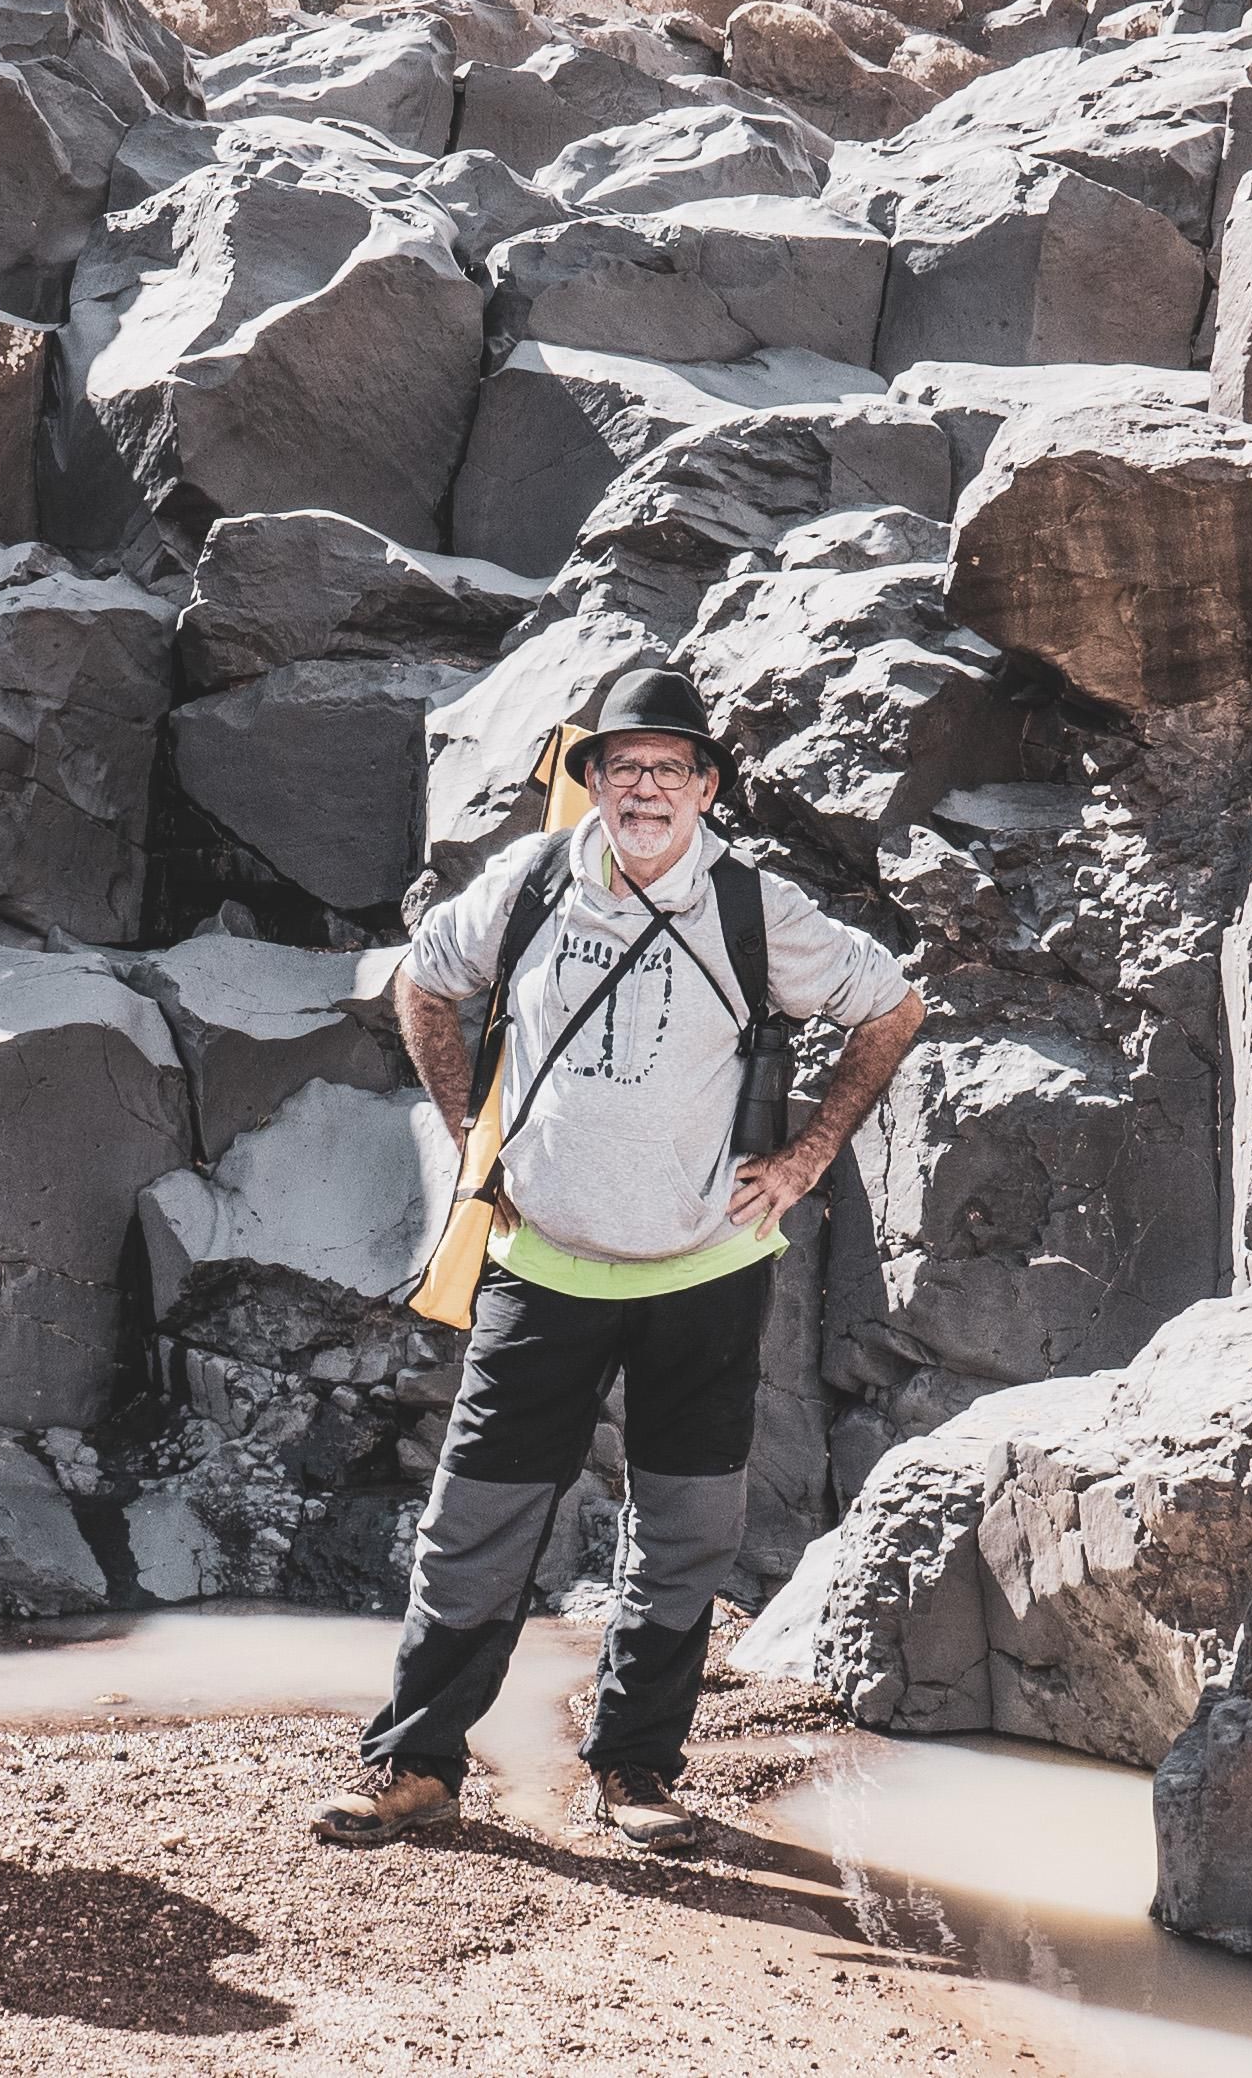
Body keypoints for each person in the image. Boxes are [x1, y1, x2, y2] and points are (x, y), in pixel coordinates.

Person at [314, 667, 922, 1856]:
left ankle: (636, 1776)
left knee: (685, 1532)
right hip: (541, 1264)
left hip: (707, 1268)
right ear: (589, 780)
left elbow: (891, 1008)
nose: (644, 788)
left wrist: (802, 1157)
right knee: (473, 1527)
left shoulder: (756, 908)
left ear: (705, 786)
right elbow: (421, 984)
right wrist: (465, 1135)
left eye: (669, 768)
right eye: (622, 766)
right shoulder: (530, 884)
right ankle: (415, 1766)